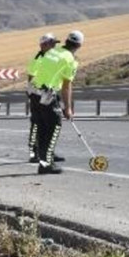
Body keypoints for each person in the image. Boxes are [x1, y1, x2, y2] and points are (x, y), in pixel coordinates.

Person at [31, 31, 83, 174]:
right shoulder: (70, 60)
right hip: (47, 94)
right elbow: (66, 86)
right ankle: (46, 164)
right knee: (54, 127)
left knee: (43, 129)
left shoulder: (53, 52)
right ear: (79, 45)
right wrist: (68, 108)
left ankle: (44, 162)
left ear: (66, 41)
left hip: (34, 93)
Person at [26, 33, 65, 163]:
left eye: (55, 44)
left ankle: (48, 152)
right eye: (52, 44)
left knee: (48, 125)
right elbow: (31, 79)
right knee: (37, 124)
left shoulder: (50, 59)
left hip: (49, 94)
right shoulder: (38, 59)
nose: (54, 46)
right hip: (38, 95)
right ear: (43, 45)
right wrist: (35, 94)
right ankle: (34, 153)